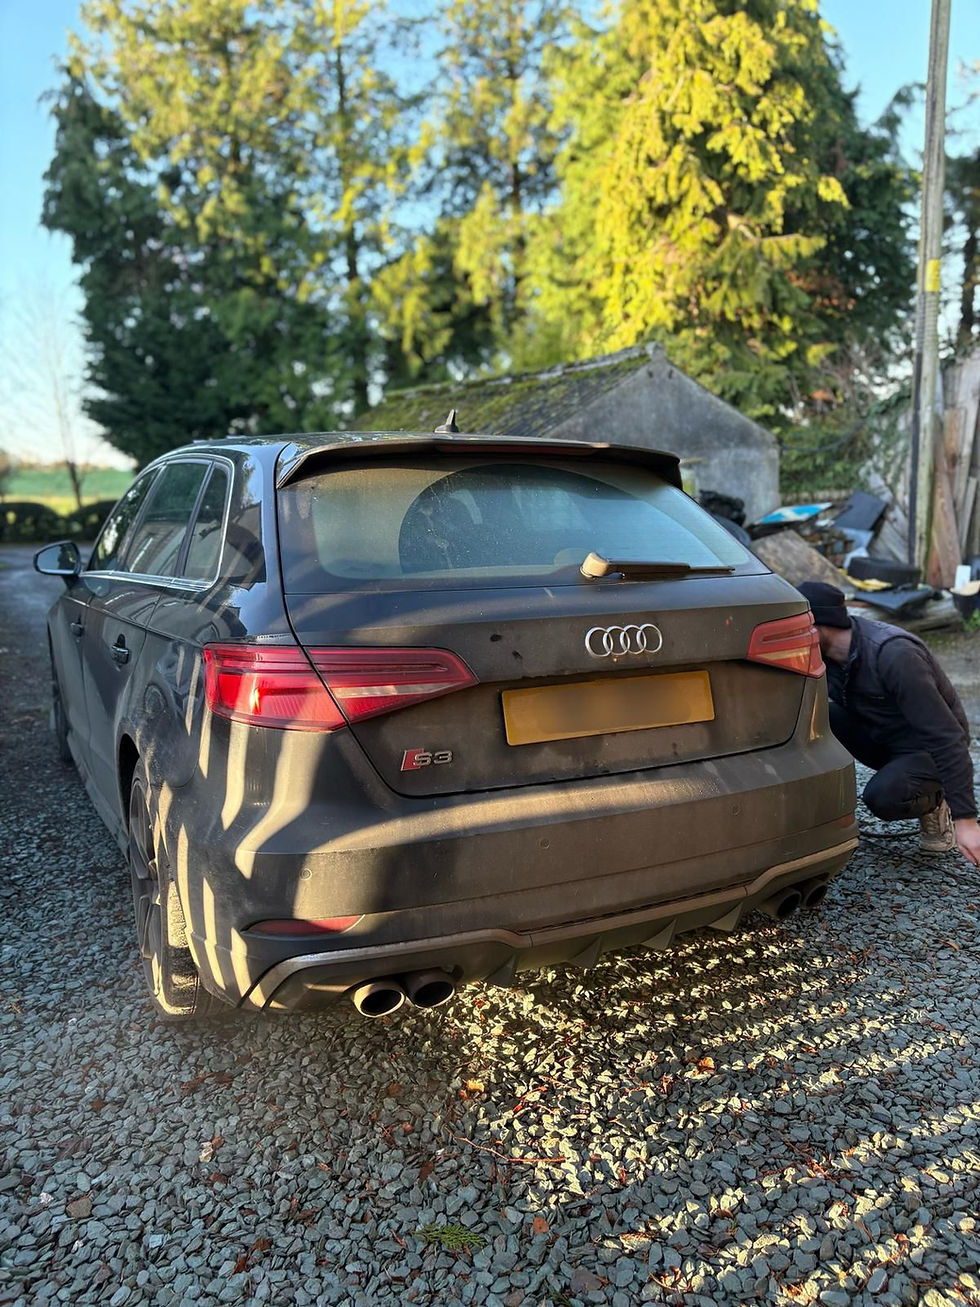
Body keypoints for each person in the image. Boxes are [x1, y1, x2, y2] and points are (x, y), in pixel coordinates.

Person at [797, 580, 980, 868]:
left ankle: (934, 799)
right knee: (821, 715)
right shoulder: (826, 657)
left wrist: (966, 819)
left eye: (793, 630)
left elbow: (947, 738)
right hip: (884, 735)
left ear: (817, 627)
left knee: (883, 797)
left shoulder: (894, 655)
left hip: (926, 748)